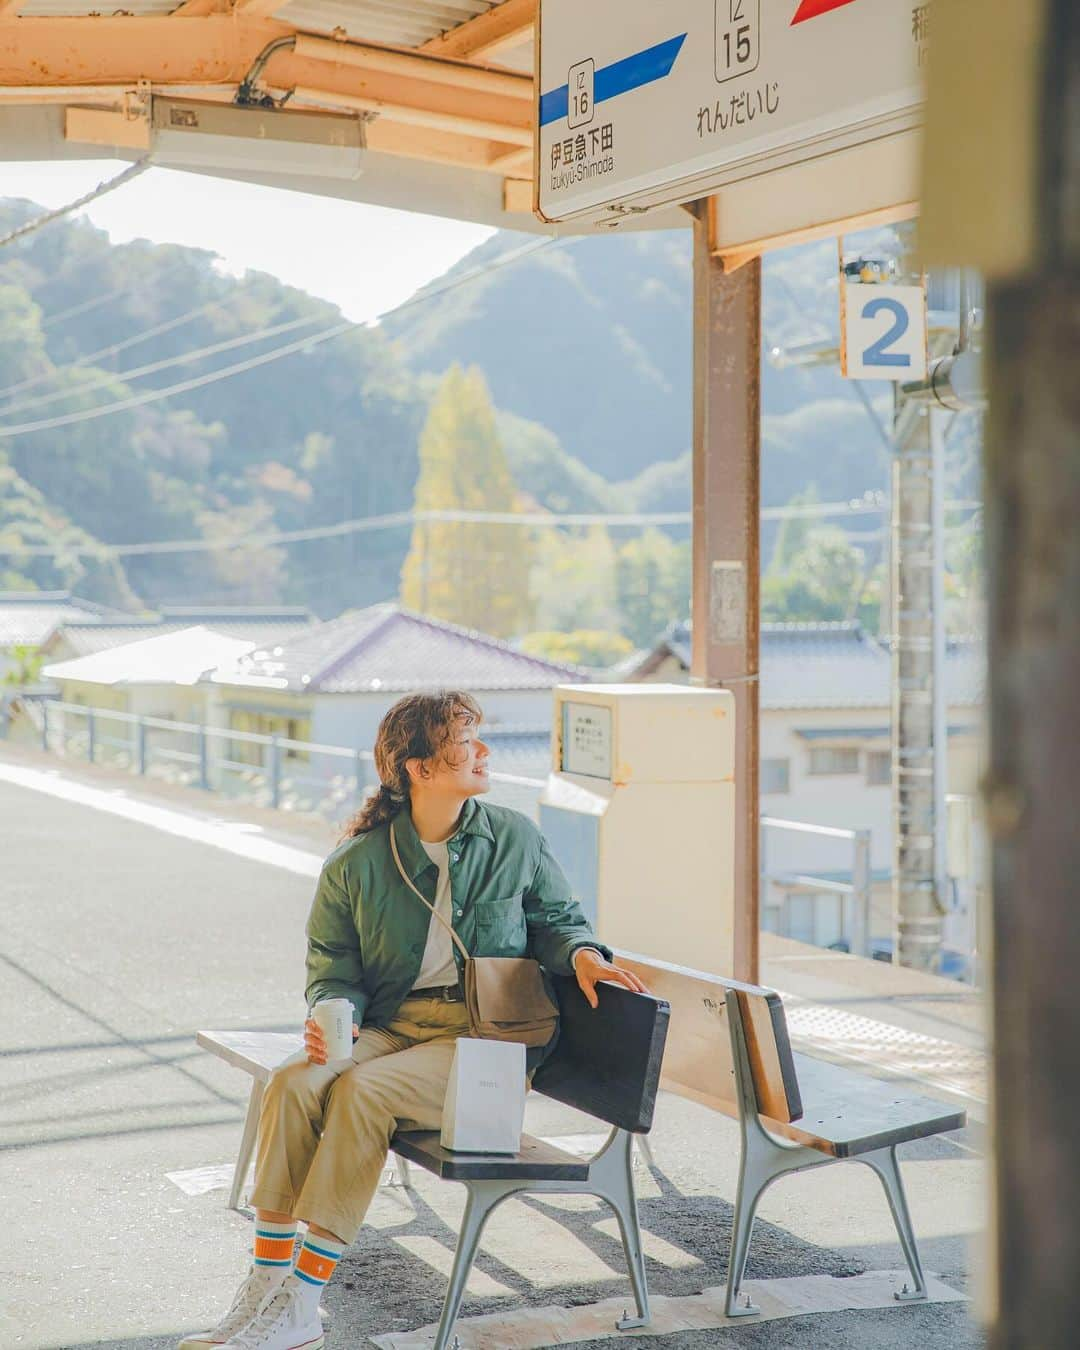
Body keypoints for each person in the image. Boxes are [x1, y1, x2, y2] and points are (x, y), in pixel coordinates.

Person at [181, 690, 647, 1350]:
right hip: (396, 1026)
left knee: (362, 1093)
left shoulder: (513, 837)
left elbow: (558, 922)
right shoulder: (359, 861)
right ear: (419, 768)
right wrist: (330, 1011)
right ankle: (267, 1286)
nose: (484, 752)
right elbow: (332, 964)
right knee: (294, 1081)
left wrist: (585, 957)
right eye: (467, 739)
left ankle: (302, 1303)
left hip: (485, 1040)